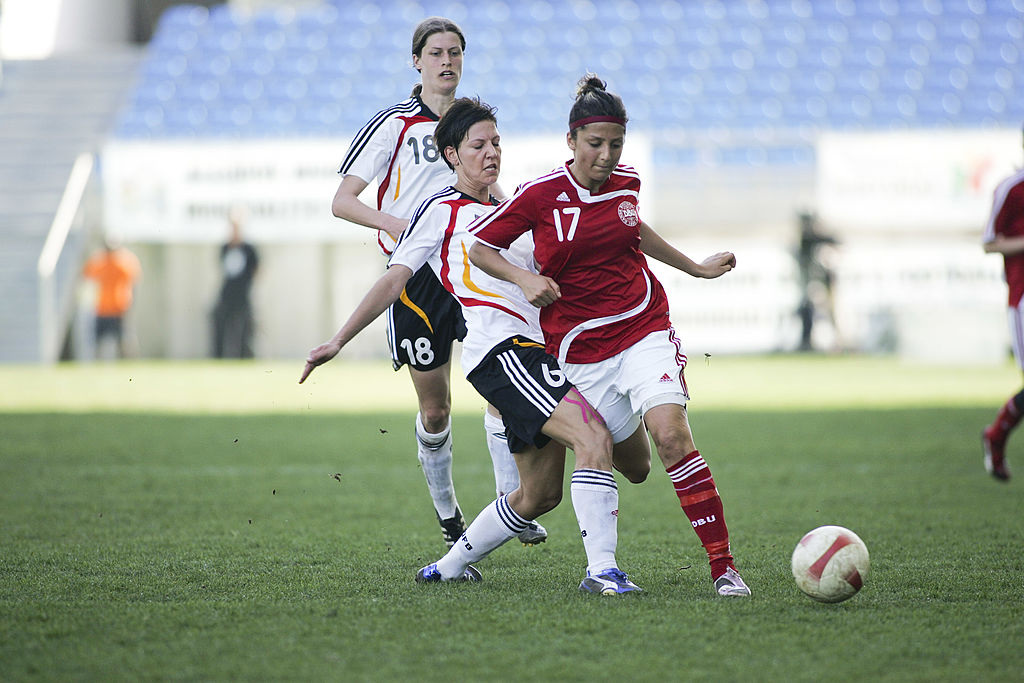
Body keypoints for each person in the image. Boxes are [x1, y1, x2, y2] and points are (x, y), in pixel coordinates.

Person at [302, 98, 636, 593]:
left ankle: (448, 566)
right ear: (452, 155)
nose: (491, 152)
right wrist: (337, 339)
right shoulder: (438, 211)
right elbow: (395, 280)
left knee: (540, 496)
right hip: (503, 350)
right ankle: (603, 572)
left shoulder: (509, 209)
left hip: (538, 349)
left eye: (496, 143)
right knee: (593, 440)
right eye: (478, 145)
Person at [468, 74, 751, 596]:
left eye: (615, 144)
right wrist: (526, 278)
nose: (605, 155)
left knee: (671, 436)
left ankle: (723, 567)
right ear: (571, 140)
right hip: (581, 352)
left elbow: (633, 228)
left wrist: (694, 268)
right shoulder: (539, 195)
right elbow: (480, 248)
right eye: (595, 144)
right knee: (639, 468)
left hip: (642, 326)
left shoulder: (628, 181)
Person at [328, 17, 541, 547]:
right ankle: (450, 516)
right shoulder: (393, 125)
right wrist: (397, 224)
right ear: (416, 62)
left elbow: (489, 186)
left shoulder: (474, 124)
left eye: (455, 53)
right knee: (436, 407)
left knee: (502, 387)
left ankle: (511, 504)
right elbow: (342, 201)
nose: (447, 62)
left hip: (473, 270)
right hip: (417, 278)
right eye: (437, 53)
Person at [981, 133, 1024, 482]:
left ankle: (997, 434)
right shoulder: (1012, 188)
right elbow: (990, 242)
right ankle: (997, 435)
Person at [82, 238, 141, 359]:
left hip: (118, 307)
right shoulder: (103, 262)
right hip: (104, 307)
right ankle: (98, 365)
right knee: (100, 341)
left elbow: (133, 281)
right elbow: (87, 274)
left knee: (124, 340)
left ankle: (129, 364)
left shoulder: (122, 262)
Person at [212, 209, 259, 358]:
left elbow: (256, 270)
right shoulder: (225, 247)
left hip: (243, 295)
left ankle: (244, 357)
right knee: (220, 325)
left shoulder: (249, 249)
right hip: (227, 294)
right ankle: (218, 357)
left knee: (245, 330)